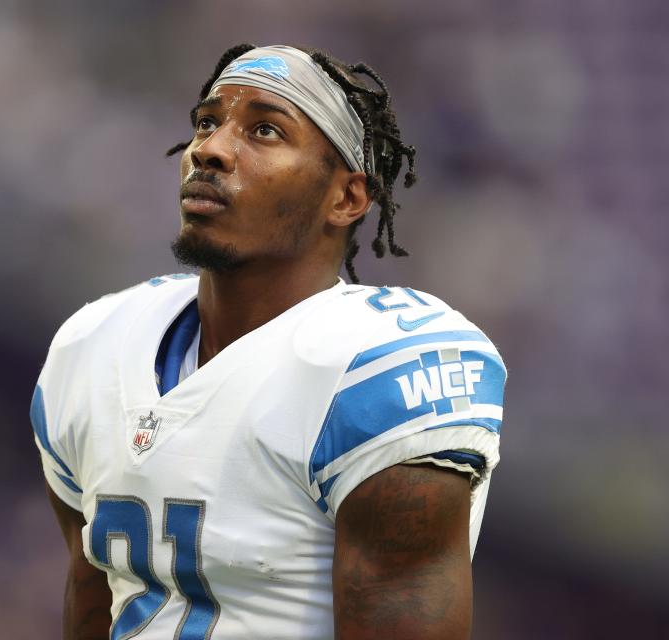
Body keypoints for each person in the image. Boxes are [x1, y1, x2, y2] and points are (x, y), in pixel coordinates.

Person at [32, 43, 506, 640]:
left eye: (264, 130)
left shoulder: (374, 369)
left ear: (346, 198)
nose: (209, 149)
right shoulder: (94, 344)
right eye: (207, 122)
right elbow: (92, 592)